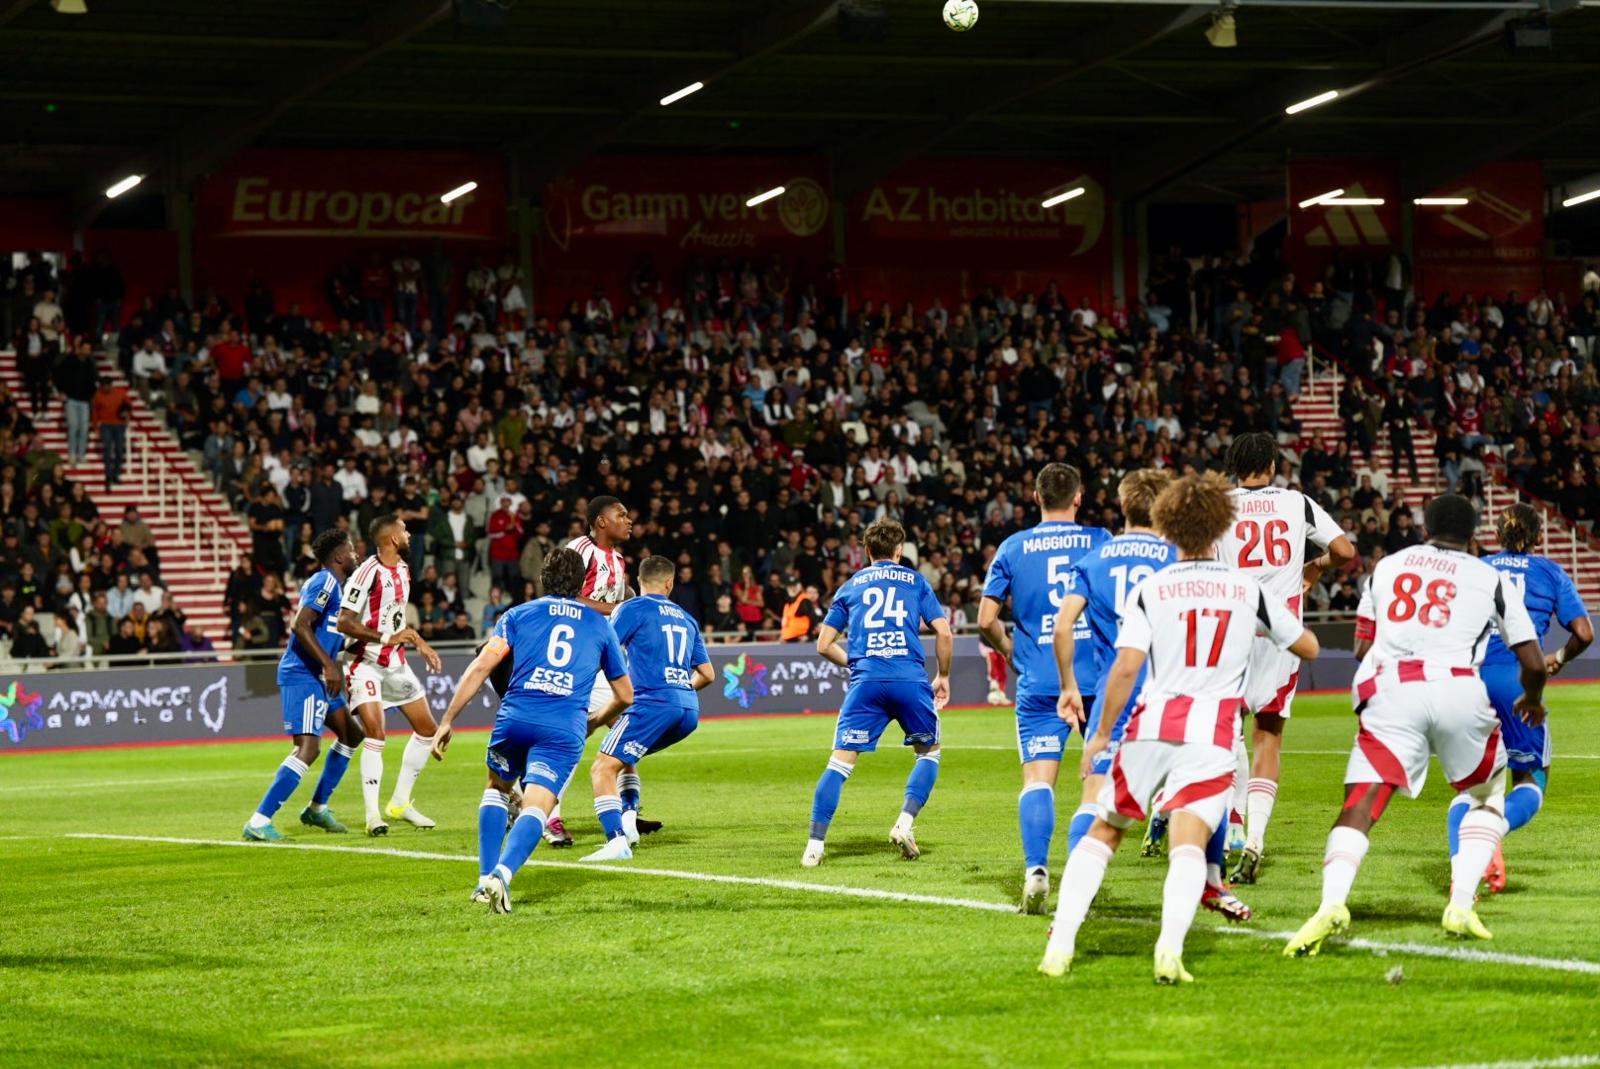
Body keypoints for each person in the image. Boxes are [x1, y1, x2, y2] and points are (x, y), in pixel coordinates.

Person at [1040, 473, 1317, 983]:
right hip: (1209, 737)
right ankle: (1168, 950)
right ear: (1221, 526)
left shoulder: (1154, 586)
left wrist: (1100, 736)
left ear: (1168, 525)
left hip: (1149, 727)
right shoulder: (1243, 588)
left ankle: (1060, 943)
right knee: (1188, 842)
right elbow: (1308, 647)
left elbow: (1125, 667)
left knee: (1105, 831)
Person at [1284, 494, 1545, 955]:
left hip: (1391, 689)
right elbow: (1533, 661)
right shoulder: (1490, 577)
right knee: (1486, 795)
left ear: (1425, 528)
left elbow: (1363, 646)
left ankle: (1331, 904)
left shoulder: (1387, 567)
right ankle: (1461, 904)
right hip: (1458, 690)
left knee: (1361, 802)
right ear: (1472, 536)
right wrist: (1535, 701)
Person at [1053, 469, 1250, 919]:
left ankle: (1077, 896)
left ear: (1122, 505)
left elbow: (1063, 626)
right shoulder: (1182, 556)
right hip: (1174, 694)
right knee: (1202, 789)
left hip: (1115, 693)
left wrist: (1069, 686)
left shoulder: (1096, 558)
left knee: (1095, 797)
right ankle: (1212, 882)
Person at [430, 548, 632, 913]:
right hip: (563, 726)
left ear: (542, 579)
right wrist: (596, 719)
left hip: (516, 718)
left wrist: (447, 720)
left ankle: (483, 880)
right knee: (539, 804)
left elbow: (479, 668)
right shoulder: (600, 625)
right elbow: (625, 695)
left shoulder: (517, 615)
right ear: (583, 584)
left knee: (496, 788)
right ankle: (503, 876)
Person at [1213, 433, 1355, 884]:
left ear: (1234, 467)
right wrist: (1315, 567)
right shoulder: (1298, 504)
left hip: (1231, 628)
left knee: (1226, 729)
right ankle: (1255, 840)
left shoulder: (1218, 506)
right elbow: (1345, 551)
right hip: (1282, 633)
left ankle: (1232, 824)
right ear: (1272, 466)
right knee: (1268, 737)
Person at [977, 463, 1108, 910]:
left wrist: (1011, 650)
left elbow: (985, 620)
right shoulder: (1100, 540)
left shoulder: (1013, 547)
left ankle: (1036, 868)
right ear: (1079, 498)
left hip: (1039, 679)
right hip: (1096, 679)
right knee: (1096, 785)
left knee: (1038, 780)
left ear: (1036, 498)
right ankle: (1079, 877)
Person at [1446, 504, 1591, 891]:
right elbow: (1584, 633)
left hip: (1468, 682)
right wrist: (1557, 659)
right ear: (1539, 537)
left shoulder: (1473, 568)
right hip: (1517, 682)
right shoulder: (1551, 572)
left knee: (1470, 787)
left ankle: (1462, 870)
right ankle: (1490, 834)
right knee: (1531, 779)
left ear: (1496, 536)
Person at [804, 519, 953, 867]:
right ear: (899, 551)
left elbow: (824, 645)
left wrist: (855, 664)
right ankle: (904, 823)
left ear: (867, 551)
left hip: (867, 681)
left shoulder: (851, 585)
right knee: (928, 754)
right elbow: (944, 634)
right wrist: (943, 675)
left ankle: (814, 846)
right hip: (910, 678)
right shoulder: (916, 581)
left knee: (839, 765)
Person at [583, 554, 715, 861]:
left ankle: (615, 842)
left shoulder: (631, 608)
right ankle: (629, 819)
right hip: (687, 711)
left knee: (602, 767)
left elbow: (606, 649)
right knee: (624, 755)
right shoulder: (687, 617)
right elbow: (707, 674)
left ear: (636, 582)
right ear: (670, 582)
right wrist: (678, 686)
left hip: (652, 704)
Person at [243, 530, 365, 841]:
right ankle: (259, 820)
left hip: (320, 675)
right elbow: (300, 625)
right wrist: (328, 665)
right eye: (351, 550)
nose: (355, 554)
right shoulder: (324, 581)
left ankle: (317, 808)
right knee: (308, 748)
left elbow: (326, 634)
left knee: (352, 735)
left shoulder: (339, 588)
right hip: (303, 673)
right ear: (338, 556)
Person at [337, 514, 444, 836]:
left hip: (395, 663)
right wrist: (386, 639)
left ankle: (400, 802)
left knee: (428, 730)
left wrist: (418, 641)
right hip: (363, 662)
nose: (409, 534)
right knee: (376, 733)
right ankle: (373, 816)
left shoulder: (403, 570)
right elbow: (344, 622)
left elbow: (394, 620)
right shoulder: (366, 572)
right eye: (405, 530)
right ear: (392, 539)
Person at [541, 494, 634, 848]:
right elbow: (565, 595)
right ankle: (548, 816)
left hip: (602, 660)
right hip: (574, 659)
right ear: (600, 522)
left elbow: (617, 606)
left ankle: (627, 811)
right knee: (568, 739)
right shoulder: (580, 548)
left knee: (626, 730)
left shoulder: (619, 560)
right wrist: (619, 606)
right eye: (621, 515)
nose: (628, 520)